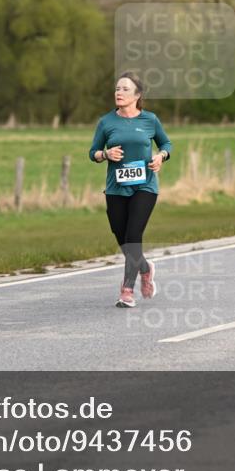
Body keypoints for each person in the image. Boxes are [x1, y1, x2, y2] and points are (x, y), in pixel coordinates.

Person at [89, 72, 172, 308]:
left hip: (145, 186)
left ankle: (127, 290)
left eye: (125, 89)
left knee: (133, 236)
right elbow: (92, 152)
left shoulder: (150, 120)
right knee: (123, 239)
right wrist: (105, 154)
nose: (119, 93)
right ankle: (145, 268)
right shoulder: (106, 122)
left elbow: (166, 143)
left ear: (137, 95)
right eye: (117, 89)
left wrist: (160, 156)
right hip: (116, 189)